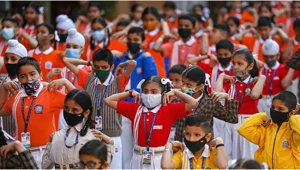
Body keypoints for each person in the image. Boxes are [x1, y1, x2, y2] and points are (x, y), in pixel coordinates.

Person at [63, 48, 136, 169]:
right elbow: (66, 61)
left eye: (104, 67)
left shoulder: (118, 82)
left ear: (111, 67)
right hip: (92, 135)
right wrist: (87, 63)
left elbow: (133, 63)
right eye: (97, 67)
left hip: (112, 137)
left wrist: (121, 65)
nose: (100, 70)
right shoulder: (89, 79)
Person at [104, 76, 198, 169]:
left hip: (160, 158)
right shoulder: (135, 108)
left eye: (154, 92)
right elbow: (108, 100)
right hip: (138, 158)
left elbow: (193, 103)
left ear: (162, 93)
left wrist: (175, 92)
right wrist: (129, 93)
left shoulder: (169, 109)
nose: (149, 94)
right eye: (145, 91)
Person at [0, 57, 75, 168]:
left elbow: (78, 102)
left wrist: (66, 82)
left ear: (40, 75)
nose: (28, 79)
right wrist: (4, 90)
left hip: (46, 153)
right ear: (19, 79)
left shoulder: (50, 93)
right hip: (22, 154)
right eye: (23, 76)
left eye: (32, 74)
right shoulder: (16, 96)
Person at [214, 49, 266, 160]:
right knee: (228, 155)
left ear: (250, 66)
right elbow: (216, 94)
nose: (236, 67)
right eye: (234, 64)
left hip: (248, 123)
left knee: (247, 156)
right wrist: (221, 77)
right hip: (230, 122)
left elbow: (255, 95)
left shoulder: (255, 82)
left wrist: (262, 77)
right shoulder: (230, 83)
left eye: (240, 64)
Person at [42, 89, 114, 169]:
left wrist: (109, 143)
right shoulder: (56, 136)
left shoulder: (92, 136)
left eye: (75, 110)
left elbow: (101, 165)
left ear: (86, 113)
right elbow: (45, 166)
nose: (69, 112)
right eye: (66, 108)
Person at [175, 66, 239, 143]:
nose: (184, 87)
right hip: (181, 145)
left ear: (200, 86)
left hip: (203, 146)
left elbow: (232, 119)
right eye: (183, 83)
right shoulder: (177, 99)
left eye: (189, 85)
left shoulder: (210, 101)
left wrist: (228, 97)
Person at [238, 91, 300, 169]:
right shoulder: (266, 128)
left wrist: (294, 116)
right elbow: (243, 129)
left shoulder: (293, 131)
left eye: (280, 109)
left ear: (291, 113)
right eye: (273, 107)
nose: (275, 110)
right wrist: (264, 116)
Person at [161, 114, 228, 169]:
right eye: (187, 134)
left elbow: (222, 165)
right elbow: (166, 166)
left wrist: (219, 141)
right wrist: (168, 146)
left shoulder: (211, 153)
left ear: (207, 137)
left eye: (197, 135)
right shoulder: (183, 153)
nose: (191, 139)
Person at [114, 26, 158, 98]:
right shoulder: (120, 57)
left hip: (138, 101)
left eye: (136, 40)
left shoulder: (145, 58)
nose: (132, 42)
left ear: (143, 42)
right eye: (129, 39)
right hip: (120, 101)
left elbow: (152, 82)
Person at [258, 39, 295, 115]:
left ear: (278, 55)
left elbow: (284, 84)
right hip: (262, 102)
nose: (269, 59)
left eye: (271, 57)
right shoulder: (260, 69)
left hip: (278, 103)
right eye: (266, 57)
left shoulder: (282, 68)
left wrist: (292, 67)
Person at [0, 40, 27, 137]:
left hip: (21, 135)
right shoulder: (1, 82)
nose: (8, 62)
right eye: (6, 59)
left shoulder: (28, 84)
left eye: (13, 59)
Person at [142, 7, 167, 78]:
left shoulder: (162, 34)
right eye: (146, 20)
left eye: (152, 20)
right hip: (143, 71)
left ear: (157, 20)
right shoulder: (140, 35)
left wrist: (163, 22)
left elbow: (167, 33)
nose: (149, 22)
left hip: (159, 71)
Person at [0, 18, 19, 84]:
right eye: (3, 27)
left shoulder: (21, 44)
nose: (4, 29)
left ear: (16, 30)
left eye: (8, 27)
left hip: (13, 79)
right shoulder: (0, 42)